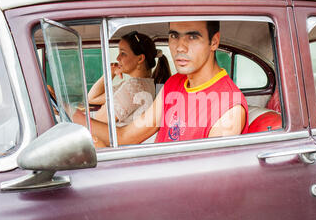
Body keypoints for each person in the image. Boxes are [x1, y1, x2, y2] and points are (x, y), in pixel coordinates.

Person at [75, 21, 248, 146]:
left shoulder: (229, 109)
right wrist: (71, 114)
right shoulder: (175, 83)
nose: (180, 47)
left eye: (193, 37)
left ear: (214, 42)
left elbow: (206, 186)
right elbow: (125, 137)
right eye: (174, 36)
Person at [87, 31, 171, 128]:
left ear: (140, 59)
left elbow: (98, 120)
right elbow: (92, 98)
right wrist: (110, 73)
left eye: (123, 53)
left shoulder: (134, 86)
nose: (118, 58)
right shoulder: (141, 84)